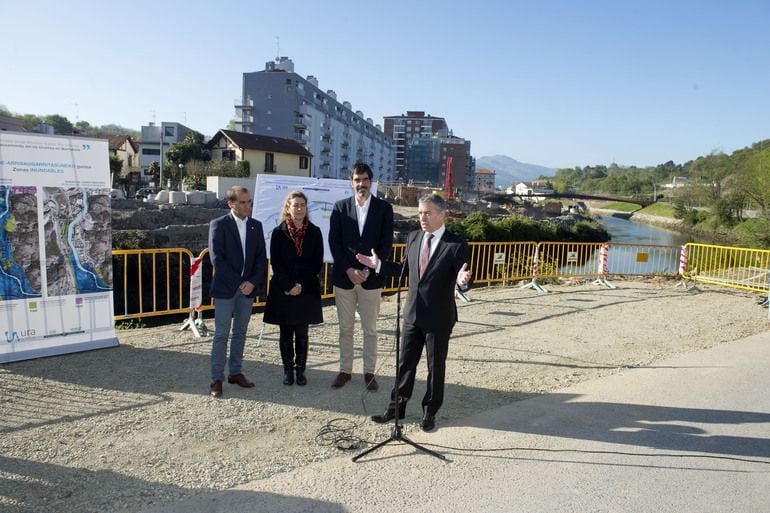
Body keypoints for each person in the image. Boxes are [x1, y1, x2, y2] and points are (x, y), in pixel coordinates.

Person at [356, 193, 472, 431]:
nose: (422, 218)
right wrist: (377, 265)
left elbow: (464, 276)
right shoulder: (414, 237)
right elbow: (403, 270)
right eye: (420, 213)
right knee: (405, 364)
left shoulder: (456, 244)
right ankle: (395, 408)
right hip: (412, 315)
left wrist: (462, 282)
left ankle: (429, 412)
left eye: (427, 213)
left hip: (439, 318)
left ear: (442, 214)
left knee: (435, 367)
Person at [328, 162, 394, 390]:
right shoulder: (339, 207)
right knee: (345, 329)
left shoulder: (384, 209)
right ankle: (345, 371)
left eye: (365, 180)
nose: (361, 184)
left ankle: (369, 373)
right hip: (344, 278)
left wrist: (368, 270)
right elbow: (334, 243)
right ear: (351, 182)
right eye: (357, 180)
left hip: (371, 280)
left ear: (371, 182)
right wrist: (349, 269)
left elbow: (386, 244)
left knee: (370, 330)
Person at [207, 186, 267, 398]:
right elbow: (217, 259)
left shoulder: (256, 226)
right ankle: (216, 378)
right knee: (222, 334)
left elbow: (261, 258)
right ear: (231, 204)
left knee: (240, 332)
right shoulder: (218, 225)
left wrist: (251, 282)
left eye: (249, 201)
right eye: (242, 202)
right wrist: (240, 282)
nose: (247, 206)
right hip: (226, 289)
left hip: (247, 290)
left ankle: (235, 372)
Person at [263, 191, 324, 386]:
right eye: (295, 205)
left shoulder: (315, 232)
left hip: (306, 290)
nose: (299, 209)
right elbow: (277, 263)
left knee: (302, 332)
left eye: (302, 205)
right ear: (287, 207)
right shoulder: (278, 232)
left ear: (307, 208)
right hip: (284, 290)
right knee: (286, 332)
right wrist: (289, 285)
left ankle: (301, 370)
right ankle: (287, 370)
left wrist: (301, 285)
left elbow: (316, 263)